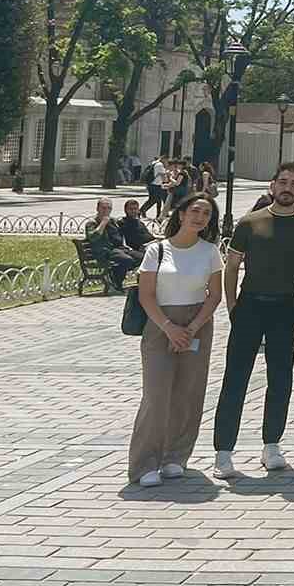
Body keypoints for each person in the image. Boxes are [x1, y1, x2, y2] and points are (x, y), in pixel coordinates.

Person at [211, 162, 294, 480]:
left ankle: (272, 445)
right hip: (250, 305)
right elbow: (231, 267)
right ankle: (224, 451)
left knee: (281, 378)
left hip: (286, 308)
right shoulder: (250, 222)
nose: (288, 187)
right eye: (283, 181)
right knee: (236, 378)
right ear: (272, 185)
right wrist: (233, 306)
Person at [127, 193, 223, 485]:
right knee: (157, 396)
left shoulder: (210, 251)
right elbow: (146, 295)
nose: (199, 217)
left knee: (187, 394)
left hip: (197, 325)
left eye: (206, 214)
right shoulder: (157, 250)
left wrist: (191, 329)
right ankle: (144, 465)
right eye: (195, 210)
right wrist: (169, 327)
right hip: (160, 324)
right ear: (181, 214)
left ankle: (175, 457)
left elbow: (214, 296)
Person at [85, 198, 145, 291]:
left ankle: (115, 275)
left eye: (109, 208)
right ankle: (117, 282)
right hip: (104, 251)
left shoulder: (113, 221)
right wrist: (103, 223)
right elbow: (93, 237)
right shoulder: (92, 223)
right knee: (126, 260)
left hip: (119, 250)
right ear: (97, 208)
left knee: (142, 257)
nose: (106, 211)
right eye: (103, 208)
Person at [141, 156, 168, 222]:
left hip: (151, 184)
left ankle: (158, 214)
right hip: (156, 185)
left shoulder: (153, 163)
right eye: (166, 160)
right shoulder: (160, 165)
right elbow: (163, 176)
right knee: (154, 200)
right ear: (164, 159)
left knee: (157, 200)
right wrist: (167, 181)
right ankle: (142, 210)